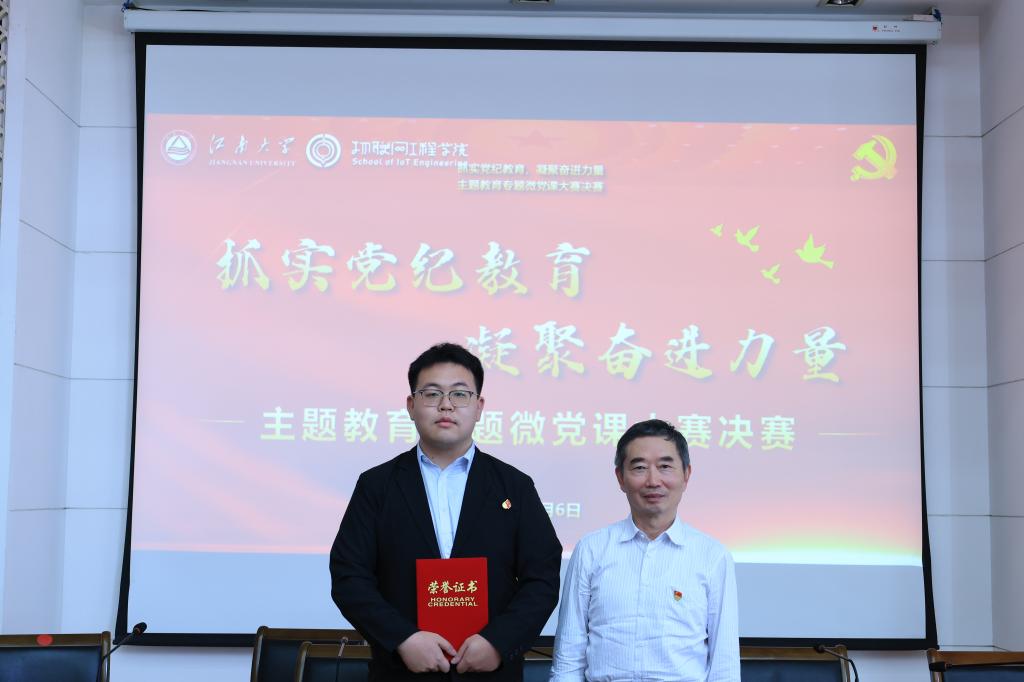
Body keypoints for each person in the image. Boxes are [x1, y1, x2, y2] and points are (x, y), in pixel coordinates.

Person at [330, 342, 562, 681]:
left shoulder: (515, 486)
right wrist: (403, 639)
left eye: (459, 394)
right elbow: (349, 576)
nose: (446, 405)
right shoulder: (377, 486)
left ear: (479, 407)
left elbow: (542, 578)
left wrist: (498, 642)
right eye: (432, 393)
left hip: (490, 672)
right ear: (411, 406)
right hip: (401, 672)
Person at [550, 419, 740, 682]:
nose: (653, 481)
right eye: (639, 467)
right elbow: (568, 657)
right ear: (620, 478)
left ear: (686, 475)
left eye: (665, 466)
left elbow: (724, 666)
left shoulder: (712, 556)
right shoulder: (591, 549)